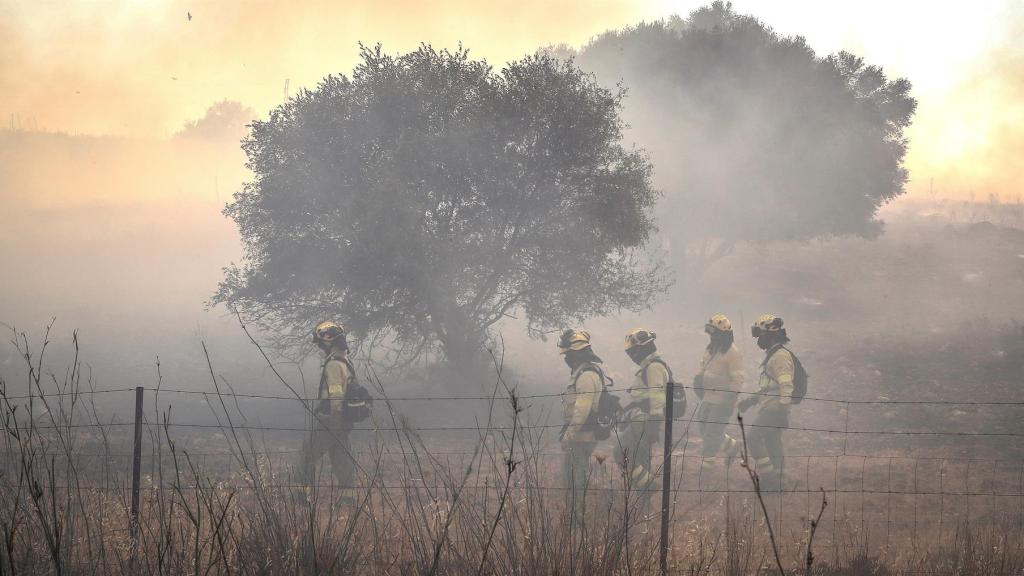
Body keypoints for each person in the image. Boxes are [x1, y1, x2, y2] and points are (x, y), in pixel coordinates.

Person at [739, 314, 795, 491]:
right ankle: (779, 482)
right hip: (770, 404)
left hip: (774, 407)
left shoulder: (780, 356)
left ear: (770, 334)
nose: (759, 340)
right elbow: (769, 386)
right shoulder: (773, 355)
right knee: (772, 441)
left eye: (760, 336)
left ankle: (770, 479)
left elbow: (786, 384)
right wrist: (752, 400)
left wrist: (783, 408)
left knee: (754, 438)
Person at [302, 321, 357, 497]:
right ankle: (348, 499)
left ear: (328, 342)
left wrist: (334, 419)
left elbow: (335, 393)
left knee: (306, 456)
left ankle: (302, 496)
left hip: (332, 418)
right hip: (343, 420)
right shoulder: (345, 361)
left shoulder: (333, 364)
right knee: (342, 459)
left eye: (320, 343)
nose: (319, 346)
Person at [617, 329, 674, 495]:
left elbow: (656, 396)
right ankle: (644, 496)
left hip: (644, 420)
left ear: (642, 348)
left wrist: (654, 423)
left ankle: (648, 488)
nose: (632, 356)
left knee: (621, 452)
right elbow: (646, 395)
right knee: (639, 456)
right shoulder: (650, 366)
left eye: (633, 352)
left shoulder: (653, 367)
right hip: (641, 418)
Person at [558, 329, 604, 508]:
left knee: (576, 478)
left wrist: (568, 435)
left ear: (576, 353)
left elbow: (582, 411)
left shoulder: (586, 375)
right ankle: (575, 513)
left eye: (568, 354)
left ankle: (579, 515)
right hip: (579, 434)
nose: (565, 358)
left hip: (582, 436)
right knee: (571, 477)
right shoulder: (580, 372)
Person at [693, 314, 745, 472]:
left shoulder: (733, 352)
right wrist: (698, 379)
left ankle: (706, 468)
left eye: (713, 333)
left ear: (722, 334)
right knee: (704, 428)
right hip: (708, 397)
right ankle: (733, 446)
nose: (711, 336)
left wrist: (731, 398)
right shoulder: (711, 349)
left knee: (711, 433)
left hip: (723, 400)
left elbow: (738, 377)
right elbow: (704, 367)